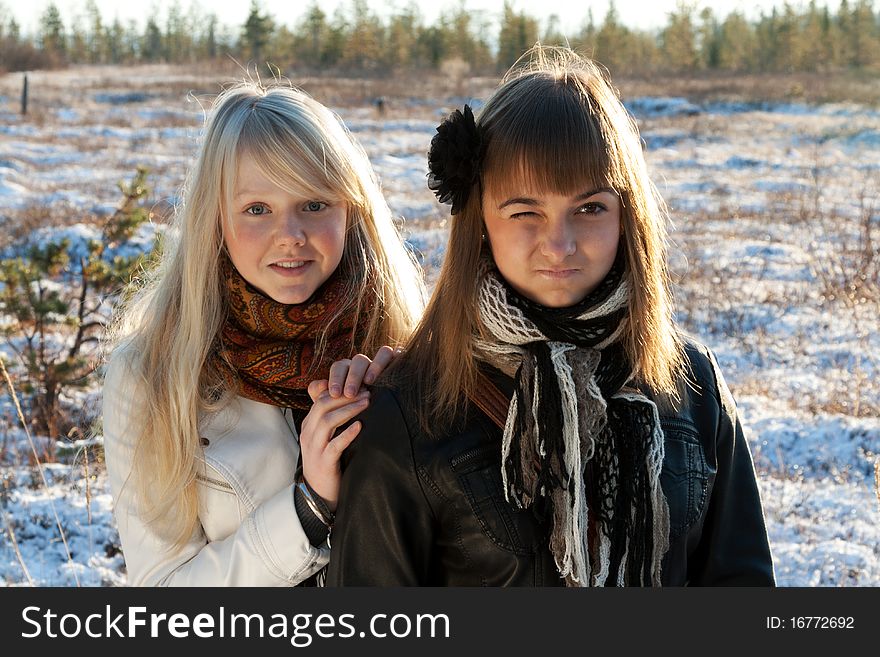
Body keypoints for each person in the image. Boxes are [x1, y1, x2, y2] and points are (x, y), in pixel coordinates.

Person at [326, 46, 775, 587]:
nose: (559, 245)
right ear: (481, 222)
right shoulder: (413, 410)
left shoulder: (690, 383)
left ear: (626, 217)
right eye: (525, 212)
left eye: (589, 208)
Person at [102, 81, 425, 586]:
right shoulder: (152, 375)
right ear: (216, 221)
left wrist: (401, 419)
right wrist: (308, 508)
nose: (290, 234)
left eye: (314, 204)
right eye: (257, 209)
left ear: (351, 210)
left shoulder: (406, 345)